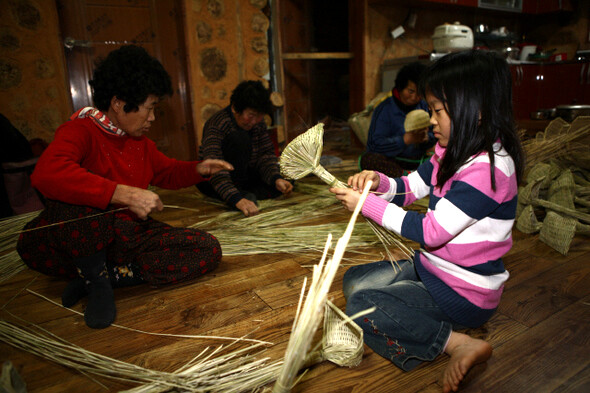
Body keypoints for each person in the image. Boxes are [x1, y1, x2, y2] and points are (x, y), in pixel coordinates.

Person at [330, 50, 524, 392]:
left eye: (436, 110)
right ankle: (411, 307)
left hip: (464, 293)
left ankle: (455, 342)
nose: (429, 119)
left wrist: (366, 205)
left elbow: (432, 232)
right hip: (432, 268)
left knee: (361, 305)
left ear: (473, 111)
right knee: (354, 282)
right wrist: (379, 183)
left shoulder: (489, 172)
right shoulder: (449, 150)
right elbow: (411, 187)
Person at [16, 45, 233, 329]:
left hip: (126, 238)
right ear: (119, 103)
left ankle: (103, 276)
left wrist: (198, 169)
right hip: (82, 239)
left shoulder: (140, 143)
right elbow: (47, 174)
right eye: (150, 107)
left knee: (206, 249)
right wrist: (123, 193)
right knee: (72, 203)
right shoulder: (81, 131)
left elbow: (166, 172)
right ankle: (96, 281)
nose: (153, 118)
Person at [197, 80, 293, 217]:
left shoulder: (257, 124)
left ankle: (246, 193)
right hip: (217, 179)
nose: (254, 122)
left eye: (259, 116)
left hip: (244, 176)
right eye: (251, 116)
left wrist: (276, 178)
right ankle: (238, 194)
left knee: (286, 181)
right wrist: (236, 199)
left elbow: (265, 155)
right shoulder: (217, 124)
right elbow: (214, 169)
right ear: (236, 108)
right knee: (239, 139)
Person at [361, 61, 436, 178]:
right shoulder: (384, 109)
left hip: (420, 159)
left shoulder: (425, 106)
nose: (415, 97)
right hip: (394, 161)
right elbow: (374, 145)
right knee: (368, 160)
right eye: (410, 91)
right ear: (400, 88)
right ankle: (407, 176)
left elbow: (437, 133)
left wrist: (427, 139)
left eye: (420, 93)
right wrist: (404, 140)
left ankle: (421, 175)